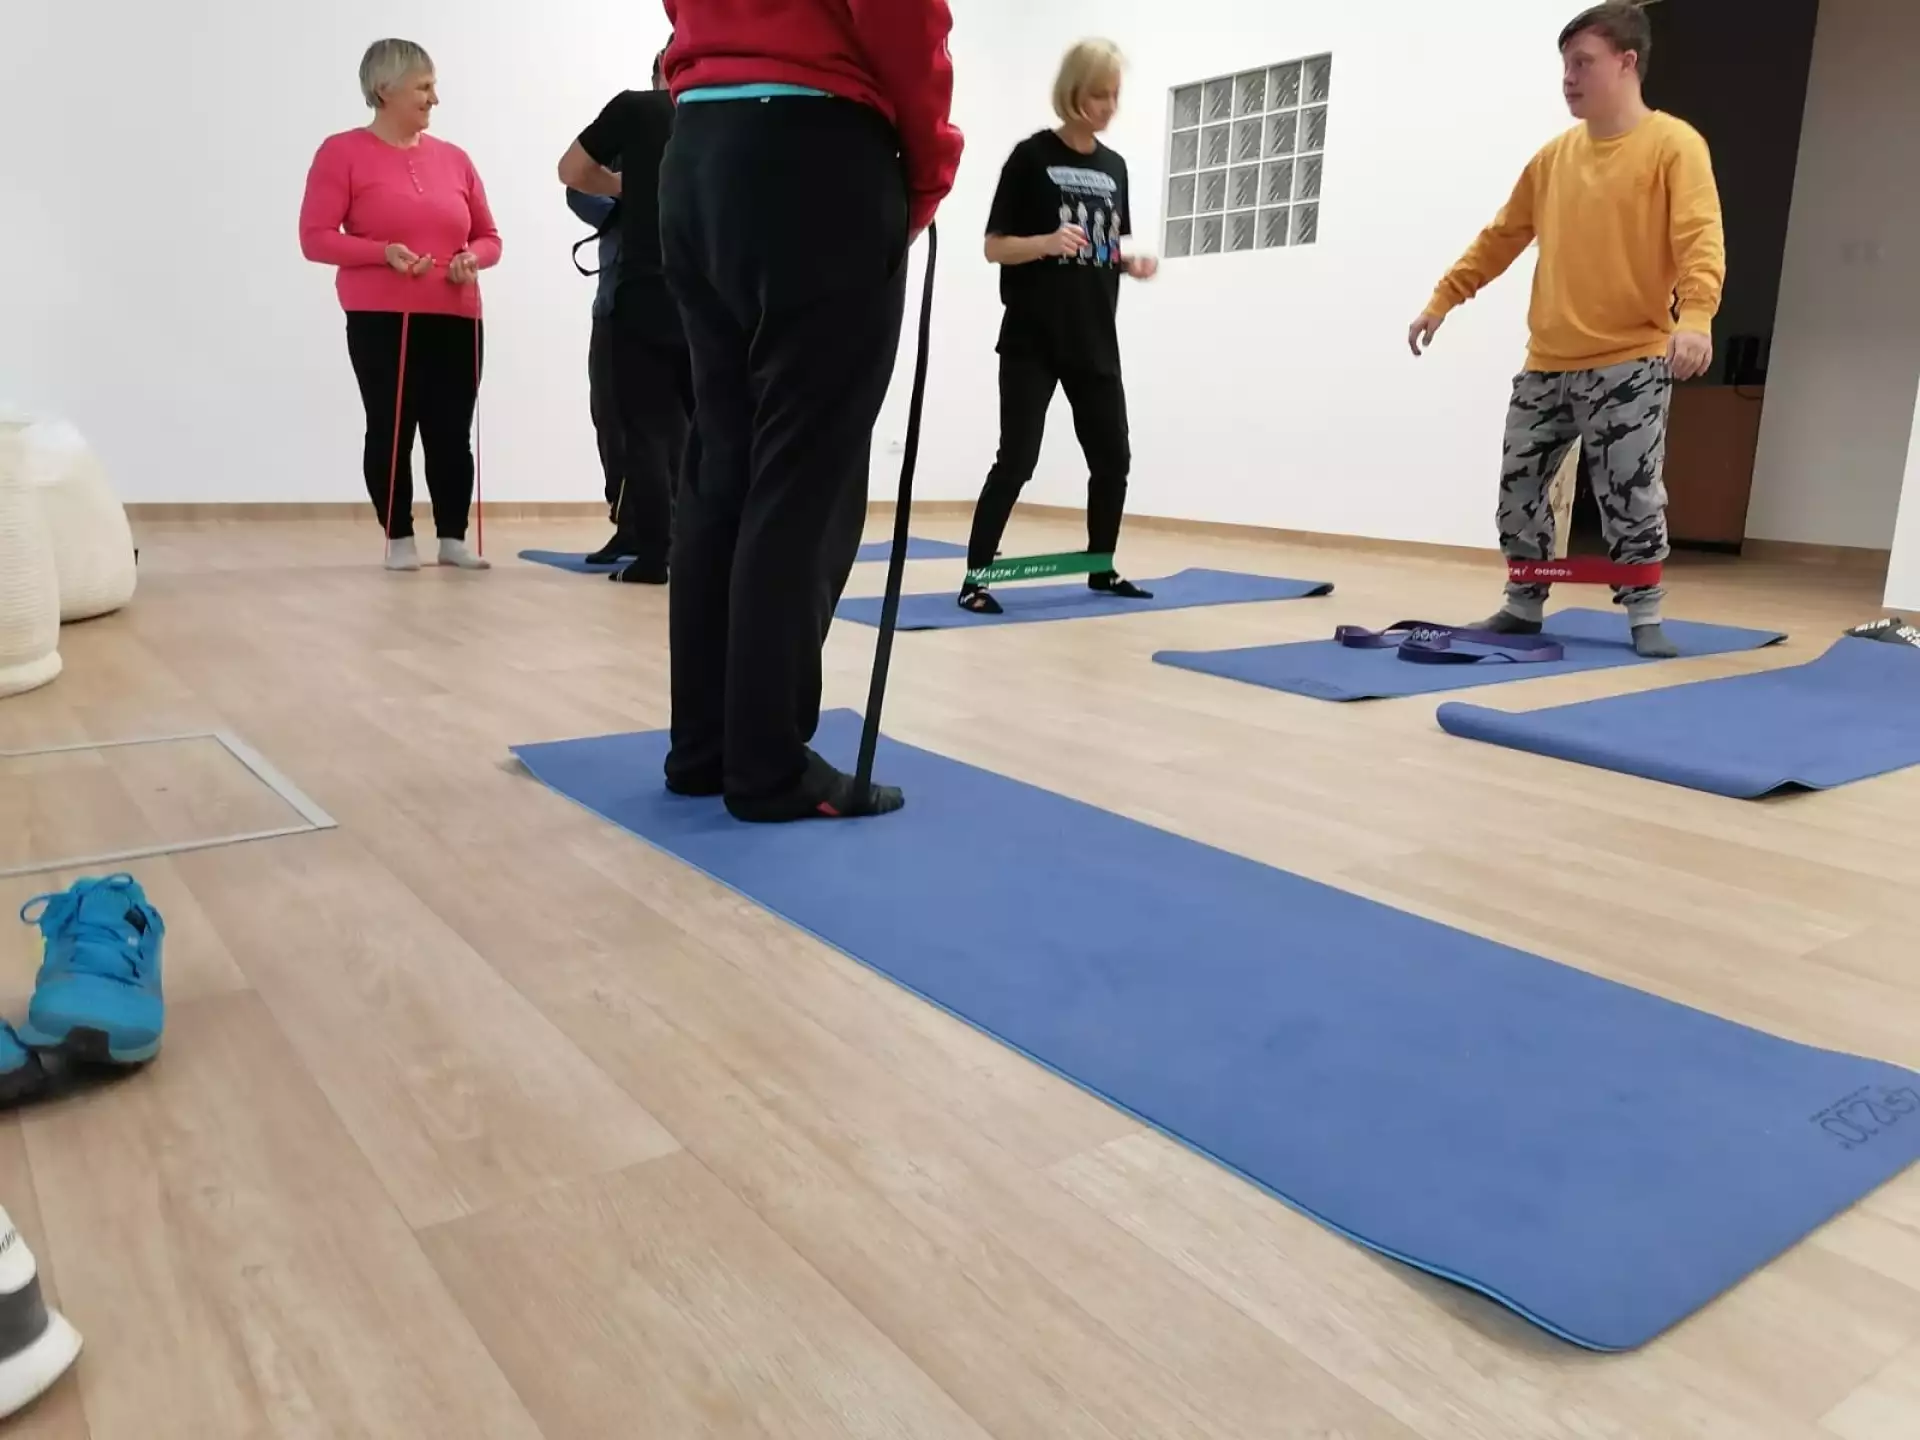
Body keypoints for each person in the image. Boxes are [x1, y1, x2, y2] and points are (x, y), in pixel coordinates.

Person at [656, 0, 963, 822]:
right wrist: (926, 172)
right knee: (804, 468)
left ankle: (705, 749)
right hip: (818, 147)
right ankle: (767, 766)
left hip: (698, 149)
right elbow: (903, 21)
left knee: (720, 460)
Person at [1409, 2, 1725, 658]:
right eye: (1565, 65)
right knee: (1519, 488)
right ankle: (1522, 606)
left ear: (1627, 62)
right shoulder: (1553, 159)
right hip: (1547, 361)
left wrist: (1696, 318)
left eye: (1583, 63)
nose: (1568, 78)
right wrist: (1444, 299)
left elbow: (1699, 238)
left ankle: (1644, 614)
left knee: (1630, 494)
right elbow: (1501, 236)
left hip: (1631, 359)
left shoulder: (1674, 146)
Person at [958, 39, 1159, 616]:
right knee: (1017, 459)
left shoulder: (1115, 167)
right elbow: (995, 247)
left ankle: (1101, 567)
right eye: (1098, 94)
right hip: (1032, 338)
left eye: (1114, 95)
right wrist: (1046, 242)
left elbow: (1102, 248)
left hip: (1094, 336)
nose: (1108, 106)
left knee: (1113, 459)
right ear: (1072, 92)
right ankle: (976, 578)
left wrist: (1126, 262)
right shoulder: (1030, 158)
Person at [299, 39, 502, 571]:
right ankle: (400, 538)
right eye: (424, 87)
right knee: (391, 426)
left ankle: (454, 538)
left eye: (434, 86)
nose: (434, 98)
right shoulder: (341, 152)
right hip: (381, 316)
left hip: (457, 313)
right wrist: (381, 253)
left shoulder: (455, 159)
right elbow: (315, 238)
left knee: (451, 430)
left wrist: (472, 259)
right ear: (384, 89)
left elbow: (489, 238)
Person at [558, 49, 690, 585]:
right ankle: (644, 533)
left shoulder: (637, 114)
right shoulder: (732, 120)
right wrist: (626, 190)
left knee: (647, 430)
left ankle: (659, 549)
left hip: (643, 295)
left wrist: (631, 187)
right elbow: (578, 192)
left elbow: (571, 172)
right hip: (697, 297)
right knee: (637, 425)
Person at [565, 183, 627, 564]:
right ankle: (628, 521)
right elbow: (576, 187)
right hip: (614, 309)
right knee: (609, 417)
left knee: (668, 428)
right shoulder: (620, 157)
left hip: (674, 312)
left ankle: (668, 526)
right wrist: (627, 197)